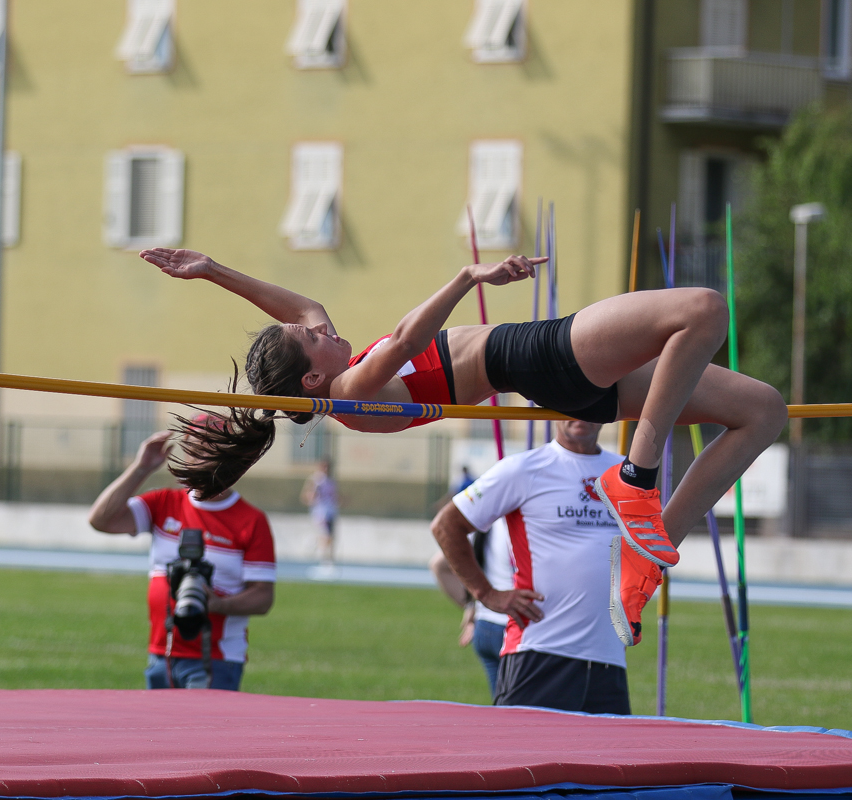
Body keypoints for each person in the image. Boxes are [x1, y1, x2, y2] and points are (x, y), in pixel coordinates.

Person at [139, 247, 785, 632]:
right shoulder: (350, 391)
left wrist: (213, 270)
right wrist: (467, 278)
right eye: (314, 338)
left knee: (762, 411)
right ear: (312, 377)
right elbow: (408, 340)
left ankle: (647, 555)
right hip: (530, 357)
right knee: (701, 308)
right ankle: (637, 478)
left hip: (554, 377)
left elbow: (299, 308)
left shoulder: (334, 374)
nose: (322, 326)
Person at [431, 419, 643, 713]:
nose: (581, 412)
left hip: (608, 659)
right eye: (572, 402)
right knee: (521, 744)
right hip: (538, 652)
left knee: (610, 746)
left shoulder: (626, 472)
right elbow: (445, 525)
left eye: (593, 402)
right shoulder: (522, 469)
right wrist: (486, 594)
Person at [88, 422, 276, 691]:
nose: (199, 457)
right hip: (161, 652)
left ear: (229, 456)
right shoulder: (164, 502)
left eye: (210, 448)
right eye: (192, 448)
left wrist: (218, 604)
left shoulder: (251, 520)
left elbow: (263, 597)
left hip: (217, 657)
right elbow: (101, 520)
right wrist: (141, 468)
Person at [429, 516, 513, 695]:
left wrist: (472, 605)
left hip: (485, 627)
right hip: (513, 628)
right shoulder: (522, 522)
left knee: (503, 706)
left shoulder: (488, 519)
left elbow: (439, 565)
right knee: (527, 708)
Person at [302, 459, 339, 564]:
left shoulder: (331, 481)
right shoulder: (315, 480)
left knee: (330, 537)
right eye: (324, 466)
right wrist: (312, 496)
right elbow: (307, 495)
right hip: (320, 512)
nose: (326, 469)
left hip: (330, 512)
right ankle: (323, 560)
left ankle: (325, 554)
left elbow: (333, 496)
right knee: (325, 535)